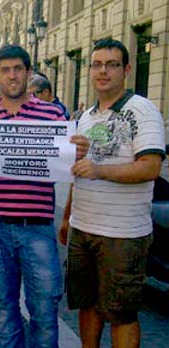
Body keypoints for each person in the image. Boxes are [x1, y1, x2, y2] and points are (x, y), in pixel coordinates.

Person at [0, 44, 89, 347]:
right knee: (3, 312)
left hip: (37, 228)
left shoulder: (53, 114)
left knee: (43, 313)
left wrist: (78, 152)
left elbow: (68, 166)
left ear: (28, 73)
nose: (12, 75)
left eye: (18, 69)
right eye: (5, 70)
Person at [59, 38, 165, 348]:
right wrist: (68, 217)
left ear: (126, 70)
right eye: (97, 64)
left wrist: (100, 170)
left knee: (121, 313)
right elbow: (76, 172)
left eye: (112, 64)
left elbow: (150, 167)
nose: (103, 71)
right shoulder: (88, 115)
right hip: (83, 227)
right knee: (86, 304)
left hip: (123, 233)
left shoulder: (142, 110)